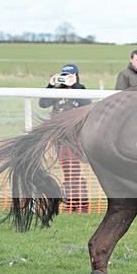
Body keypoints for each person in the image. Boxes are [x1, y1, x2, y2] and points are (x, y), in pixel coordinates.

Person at [38, 63, 91, 213]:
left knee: (74, 171)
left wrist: (74, 85)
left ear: (75, 76)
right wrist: (50, 85)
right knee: (67, 171)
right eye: (64, 75)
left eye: (69, 75)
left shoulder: (81, 90)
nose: (66, 78)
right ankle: (73, 204)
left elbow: (87, 104)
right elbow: (43, 103)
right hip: (59, 137)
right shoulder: (57, 91)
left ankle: (80, 204)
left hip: (75, 137)